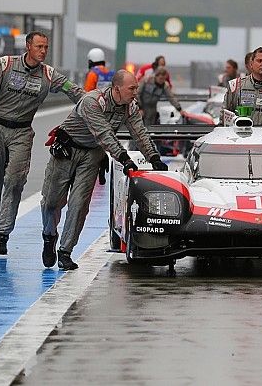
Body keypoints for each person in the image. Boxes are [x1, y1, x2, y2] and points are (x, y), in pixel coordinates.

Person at [0, 31, 85, 256]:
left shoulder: (49, 74)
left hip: (22, 131)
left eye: (46, 48)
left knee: (14, 182)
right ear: (28, 46)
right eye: (39, 47)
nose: (43, 51)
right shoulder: (4, 65)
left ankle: (3, 234)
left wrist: (96, 103)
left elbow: (74, 91)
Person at [40, 70, 167, 270]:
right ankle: (49, 235)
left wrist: (154, 158)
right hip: (67, 150)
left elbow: (139, 134)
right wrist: (124, 158)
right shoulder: (92, 101)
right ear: (117, 89)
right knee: (51, 202)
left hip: (91, 155)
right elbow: (104, 135)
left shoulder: (130, 107)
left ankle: (65, 251)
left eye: (136, 88)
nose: (136, 92)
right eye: (132, 88)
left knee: (79, 204)